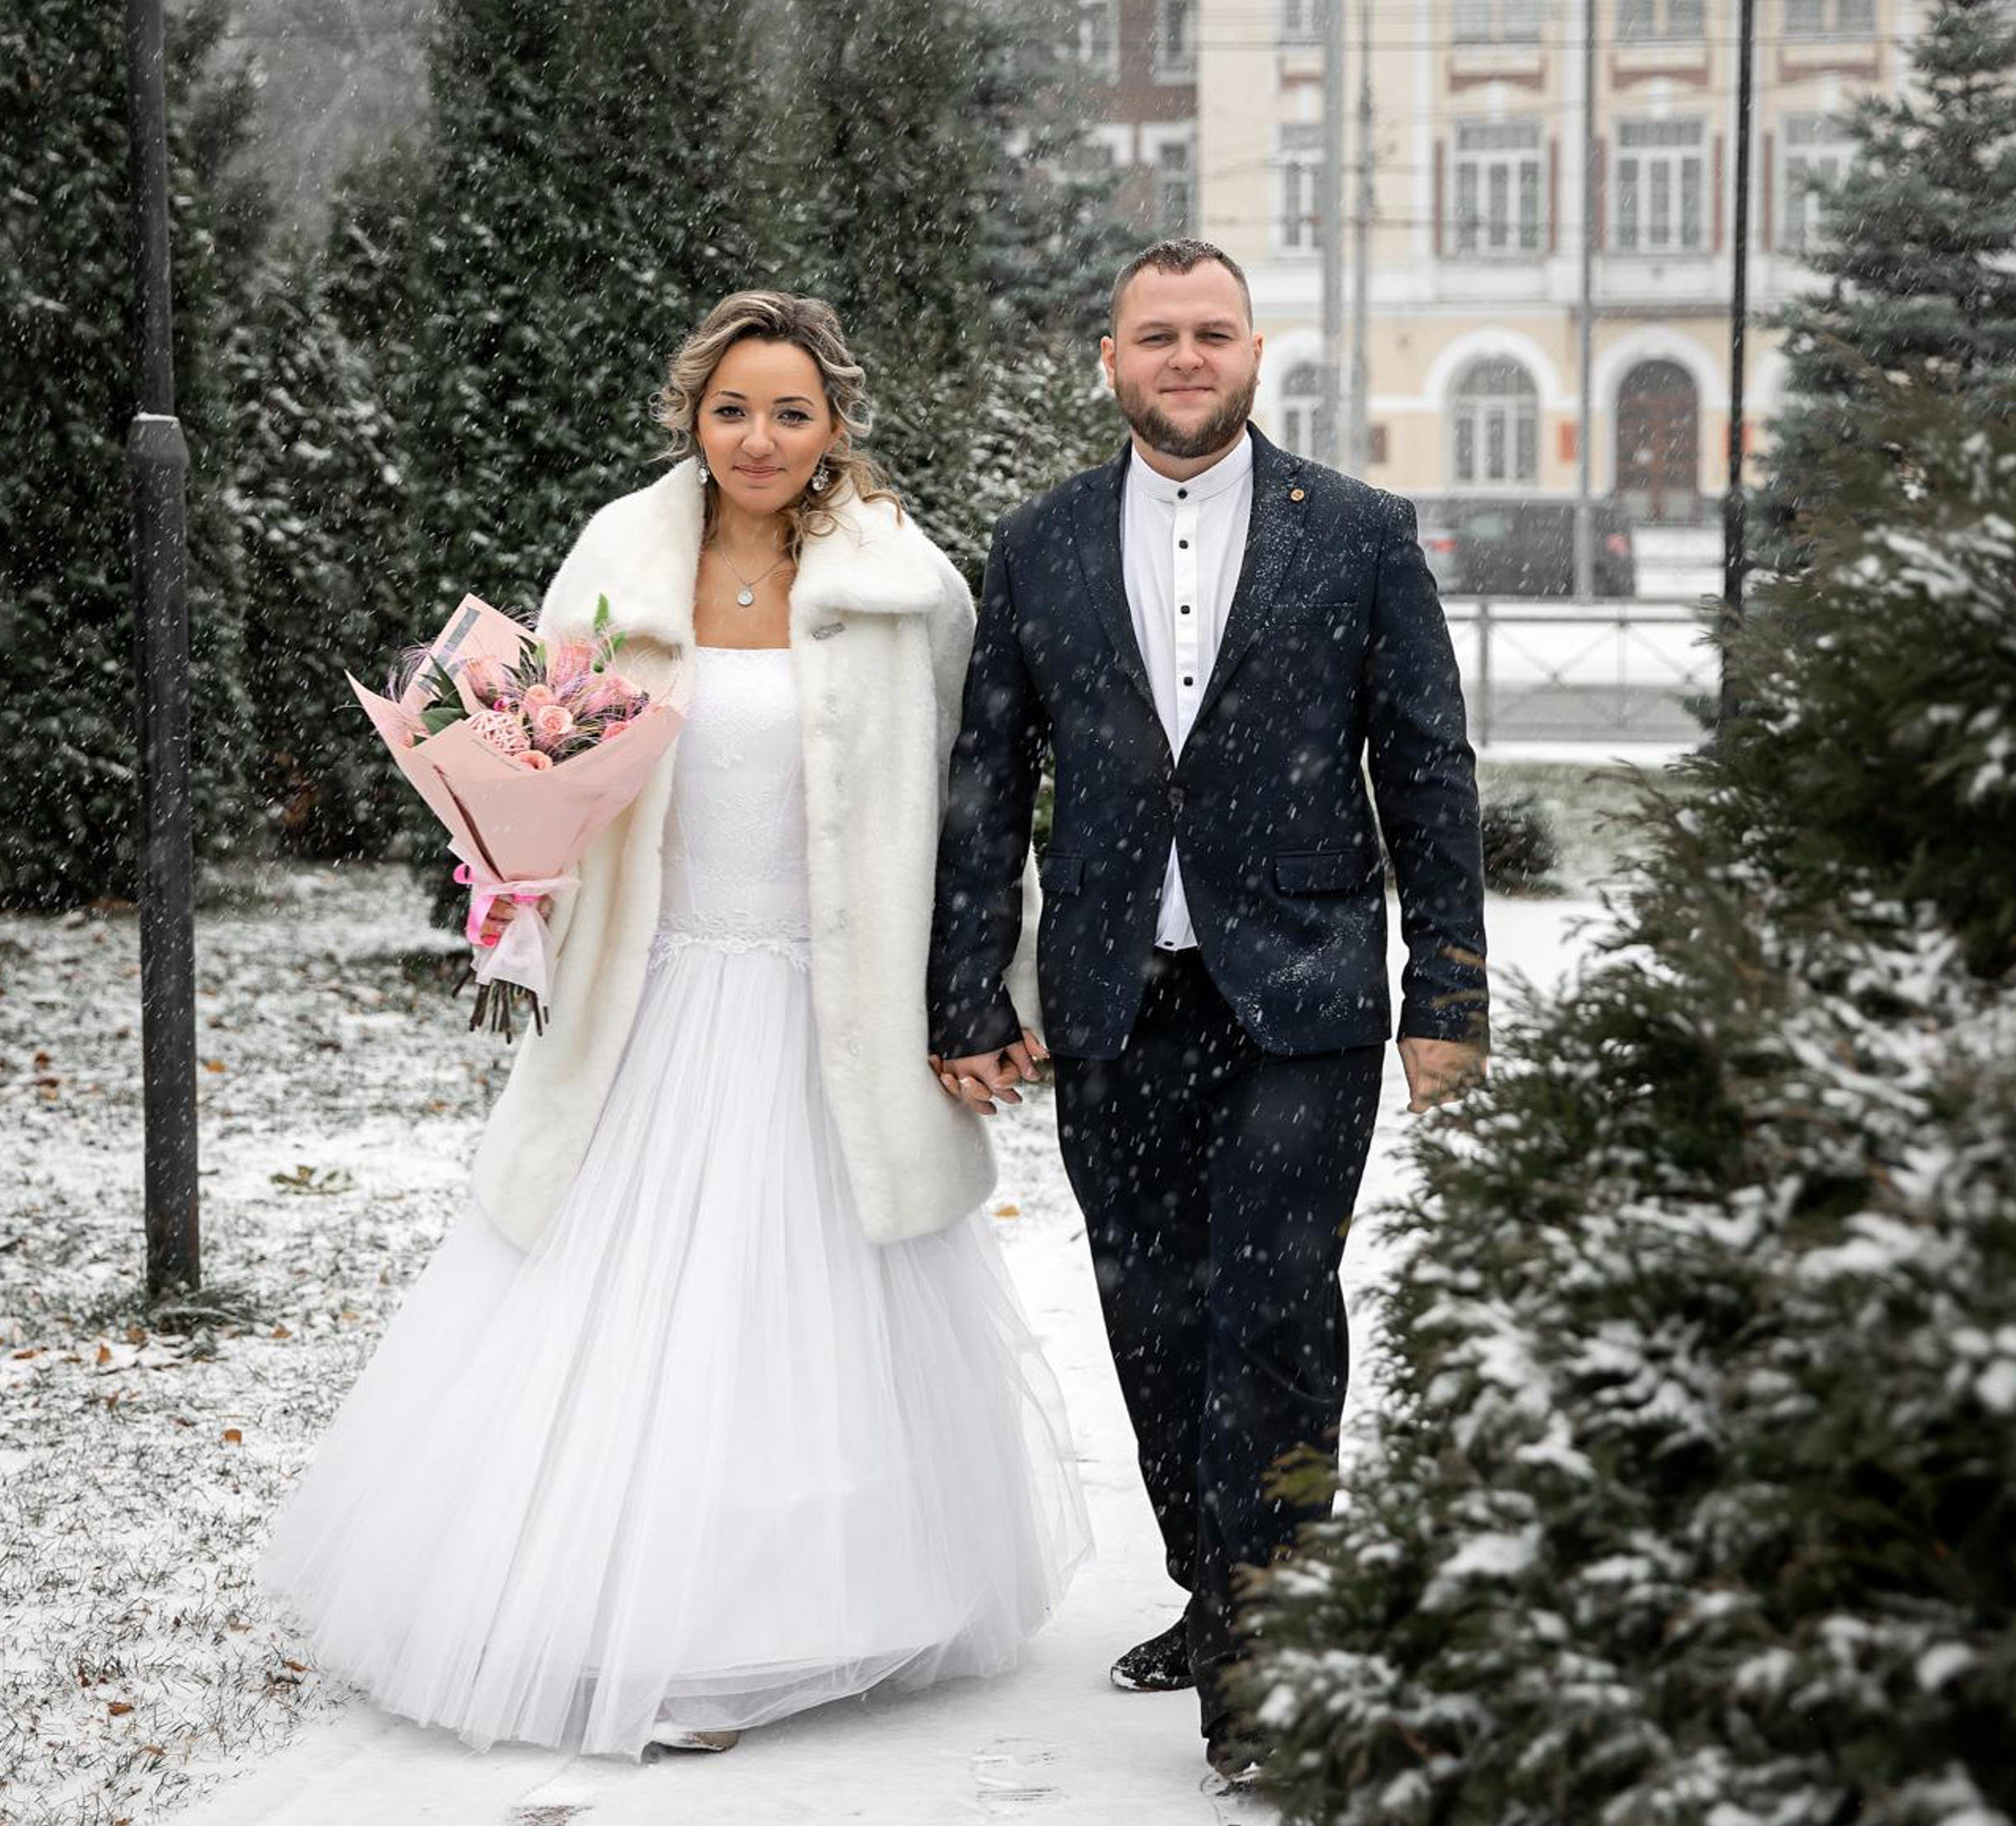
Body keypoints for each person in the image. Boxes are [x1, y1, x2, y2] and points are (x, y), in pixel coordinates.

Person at [261, 291, 1089, 1760]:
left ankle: (805, 1616)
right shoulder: (617, 563)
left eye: (790, 411)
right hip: (651, 997)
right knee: (622, 1302)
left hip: (835, 1006)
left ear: (835, 422)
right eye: (731, 409)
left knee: (815, 1316)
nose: (759, 438)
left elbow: (978, 810)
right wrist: (515, 879)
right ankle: (623, 1614)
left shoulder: (915, 588)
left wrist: (988, 987)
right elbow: (542, 757)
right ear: (689, 419)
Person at [926, 238, 1488, 1791]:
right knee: (1151, 1310)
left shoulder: (1360, 536)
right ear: (1107, 358)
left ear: (1256, 354)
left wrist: (1448, 990)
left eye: (1213, 334)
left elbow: (1428, 774)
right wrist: (969, 985)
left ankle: (1276, 1651)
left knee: (1274, 1298)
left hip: (1303, 989)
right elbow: (987, 783)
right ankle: (1218, 1575)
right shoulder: (1035, 546)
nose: (1186, 358)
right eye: (1156, 335)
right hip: (1115, 995)